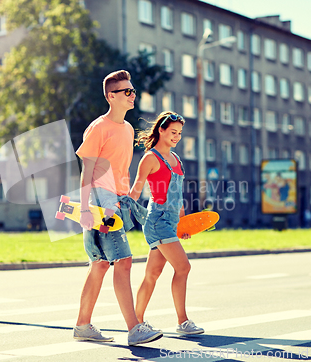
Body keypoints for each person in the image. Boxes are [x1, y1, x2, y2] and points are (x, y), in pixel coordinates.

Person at [73, 70, 163, 346]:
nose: (133, 95)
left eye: (133, 91)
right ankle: (134, 328)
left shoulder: (126, 129)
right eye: (127, 91)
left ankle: (82, 325)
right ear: (111, 96)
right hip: (101, 199)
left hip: (118, 199)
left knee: (100, 264)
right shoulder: (98, 128)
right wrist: (86, 208)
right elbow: (86, 168)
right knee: (122, 261)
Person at [129, 111, 205, 335]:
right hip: (157, 221)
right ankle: (183, 321)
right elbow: (136, 189)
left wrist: (183, 223)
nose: (177, 137)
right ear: (161, 130)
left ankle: (136, 322)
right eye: (173, 132)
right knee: (183, 266)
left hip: (171, 222)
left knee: (151, 275)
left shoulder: (176, 159)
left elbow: (178, 194)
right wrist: (120, 209)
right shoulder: (151, 158)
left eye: (179, 133)